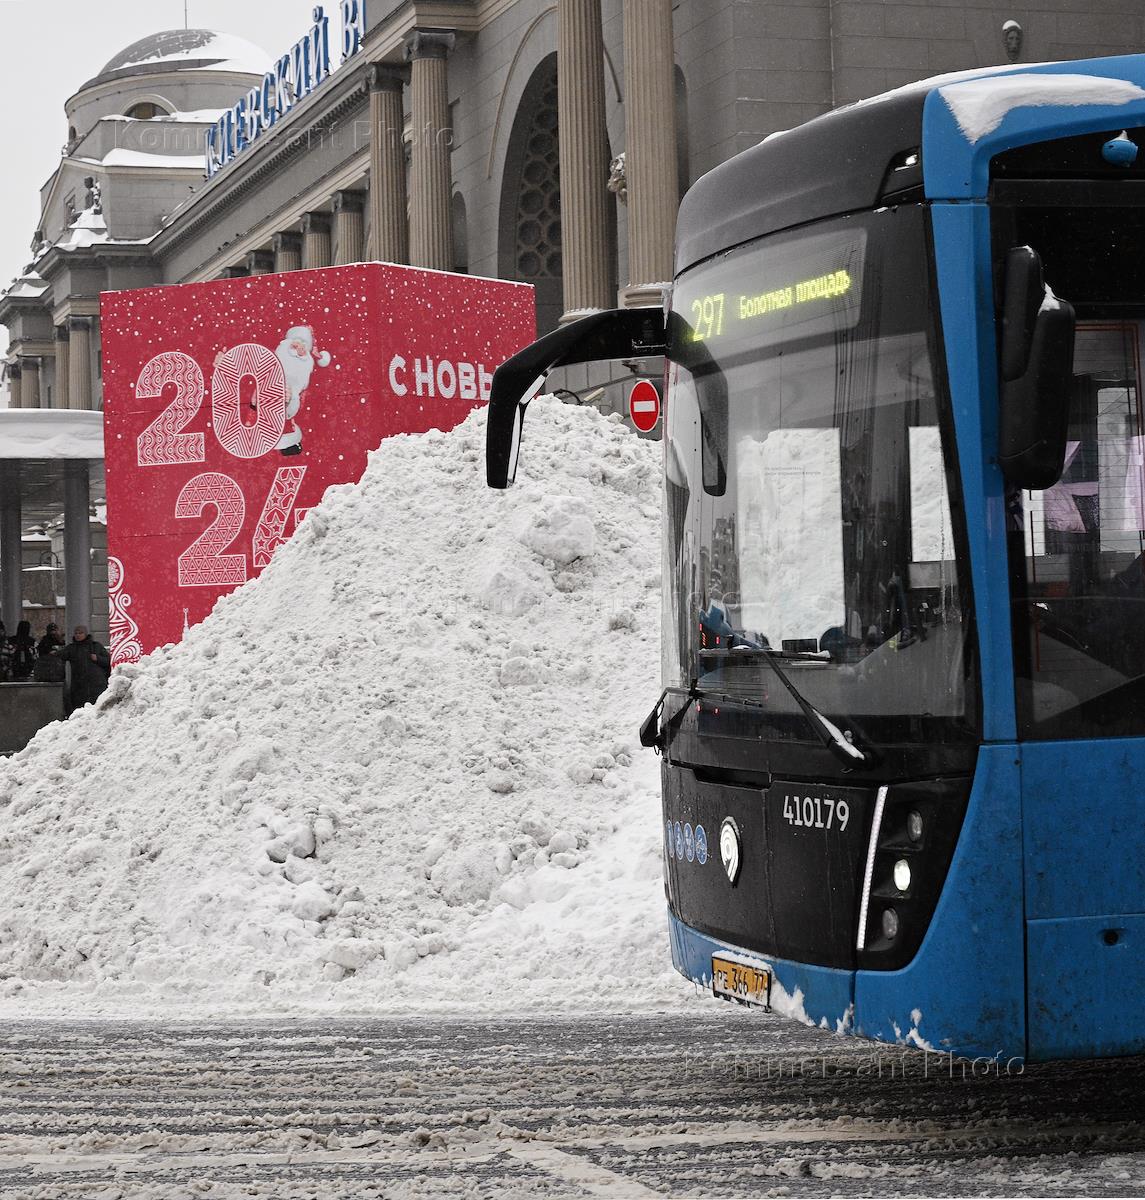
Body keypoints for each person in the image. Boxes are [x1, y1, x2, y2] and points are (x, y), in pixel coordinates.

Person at [59, 625, 110, 713]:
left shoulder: (96, 646)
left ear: (86, 634)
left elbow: (108, 661)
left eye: (80, 633)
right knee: (81, 710)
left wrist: (98, 658)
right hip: (79, 686)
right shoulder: (71, 648)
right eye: (76, 633)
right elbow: (60, 656)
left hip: (96, 685)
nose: (78, 635)